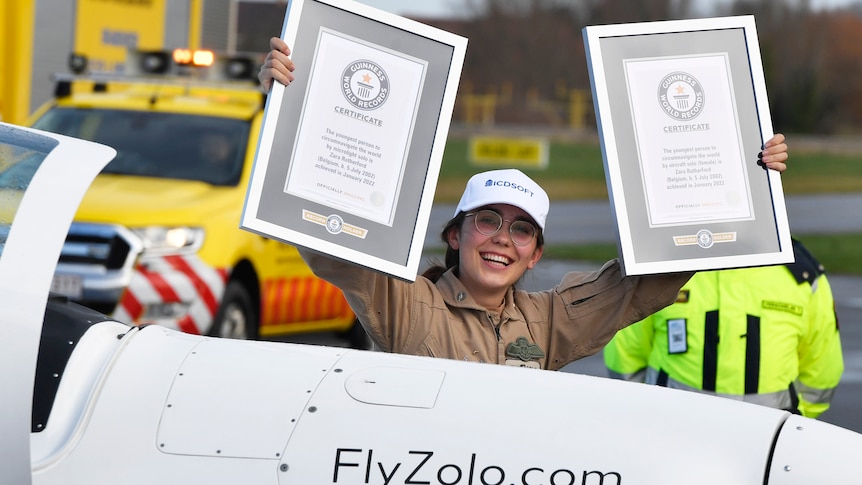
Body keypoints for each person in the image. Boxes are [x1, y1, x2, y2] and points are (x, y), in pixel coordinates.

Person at [258, 37, 790, 370]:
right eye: (487, 221)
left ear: (535, 254)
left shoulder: (550, 321)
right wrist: (285, 102)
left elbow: (644, 280)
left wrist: (747, 174)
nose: (501, 239)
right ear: (455, 234)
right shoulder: (405, 302)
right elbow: (332, 238)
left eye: (521, 230)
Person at [603, 239, 843, 418]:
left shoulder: (802, 277)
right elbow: (625, 357)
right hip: (672, 435)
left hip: (766, 444)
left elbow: (821, 375)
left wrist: (792, 428)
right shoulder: (659, 267)